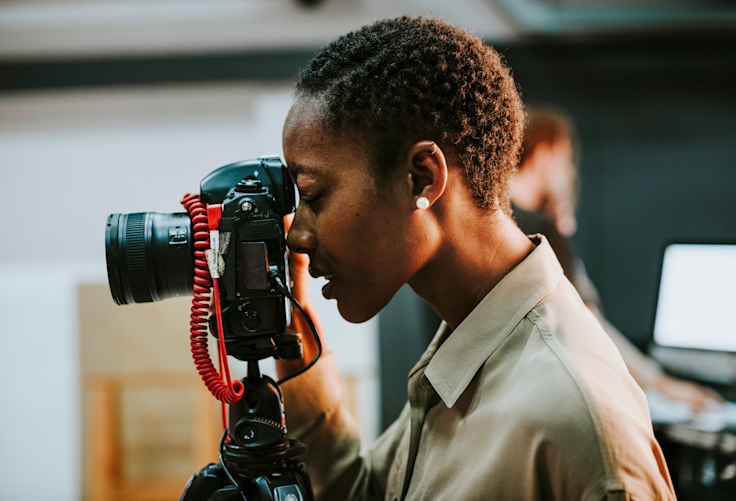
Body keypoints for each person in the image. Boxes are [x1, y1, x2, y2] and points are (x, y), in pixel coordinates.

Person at [276, 17, 675, 500]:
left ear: (422, 178)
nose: (296, 235)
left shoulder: (572, 421)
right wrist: (291, 338)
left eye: (313, 196)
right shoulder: (466, 347)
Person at [510, 106, 723, 412]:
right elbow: (585, 322)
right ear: (548, 151)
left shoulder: (497, 220)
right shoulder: (539, 231)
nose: (571, 173)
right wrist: (663, 383)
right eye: (568, 161)